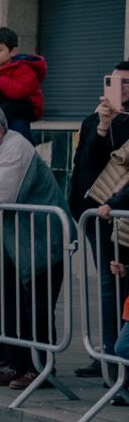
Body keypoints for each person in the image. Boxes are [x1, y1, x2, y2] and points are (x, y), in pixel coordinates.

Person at [0, 104, 67, 390]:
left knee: (37, 303)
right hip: (13, 238)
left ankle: (41, 367)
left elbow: (1, 192)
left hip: (42, 237)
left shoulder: (15, 146)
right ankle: (16, 363)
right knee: (8, 301)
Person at [70, 62, 129, 373]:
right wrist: (103, 126)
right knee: (109, 281)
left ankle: (118, 354)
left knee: (119, 280)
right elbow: (85, 163)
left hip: (120, 211)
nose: (123, 89)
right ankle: (107, 353)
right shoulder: (94, 120)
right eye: (118, 83)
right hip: (96, 212)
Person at [0, 26, 46, 138]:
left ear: (13, 52)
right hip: (5, 107)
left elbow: (20, 91)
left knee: (14, 120)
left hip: (27, 106)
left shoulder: (23, 68)